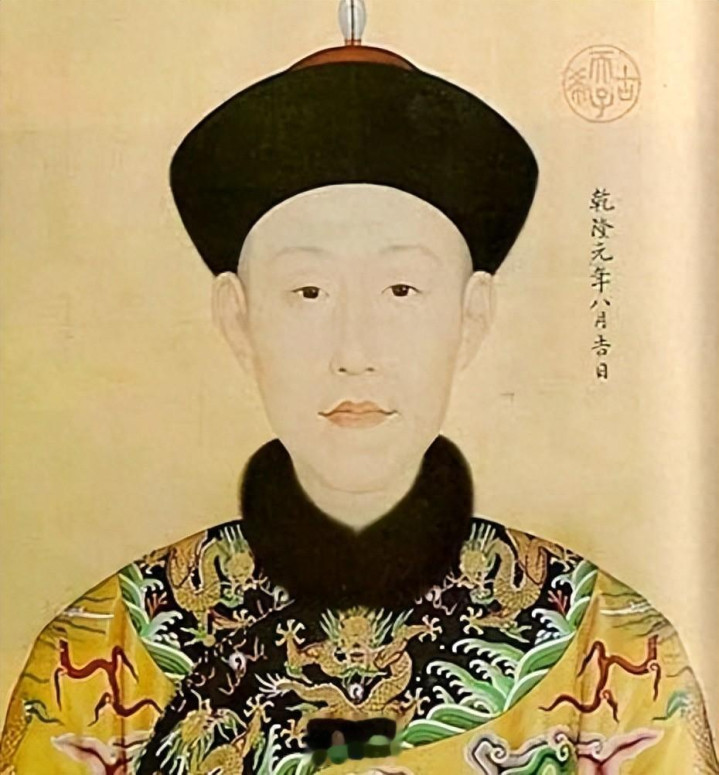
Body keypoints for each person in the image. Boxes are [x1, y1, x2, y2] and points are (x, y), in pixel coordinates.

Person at [1, 4, 717, 775]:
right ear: (238, 318)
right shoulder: (102, 655)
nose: (354, 353)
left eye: (401, 290)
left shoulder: (611, 649)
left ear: (470, 316)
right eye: (307, 292)